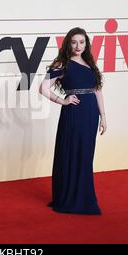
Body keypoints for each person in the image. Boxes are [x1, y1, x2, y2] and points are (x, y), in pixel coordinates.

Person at [39, 27, 107, 215]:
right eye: (74, 42)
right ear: (68, 43)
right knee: (72, 152)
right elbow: (43, 88)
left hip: (91, 114)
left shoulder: (90, 63)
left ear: (86, 44)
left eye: (82, 42)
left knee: (86, 154)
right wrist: (63, 100)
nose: (78, 46)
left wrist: (103, 116)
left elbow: (97, 90)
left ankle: (83, 195)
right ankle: (69, 197)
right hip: (74, 113)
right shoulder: (63, 63)